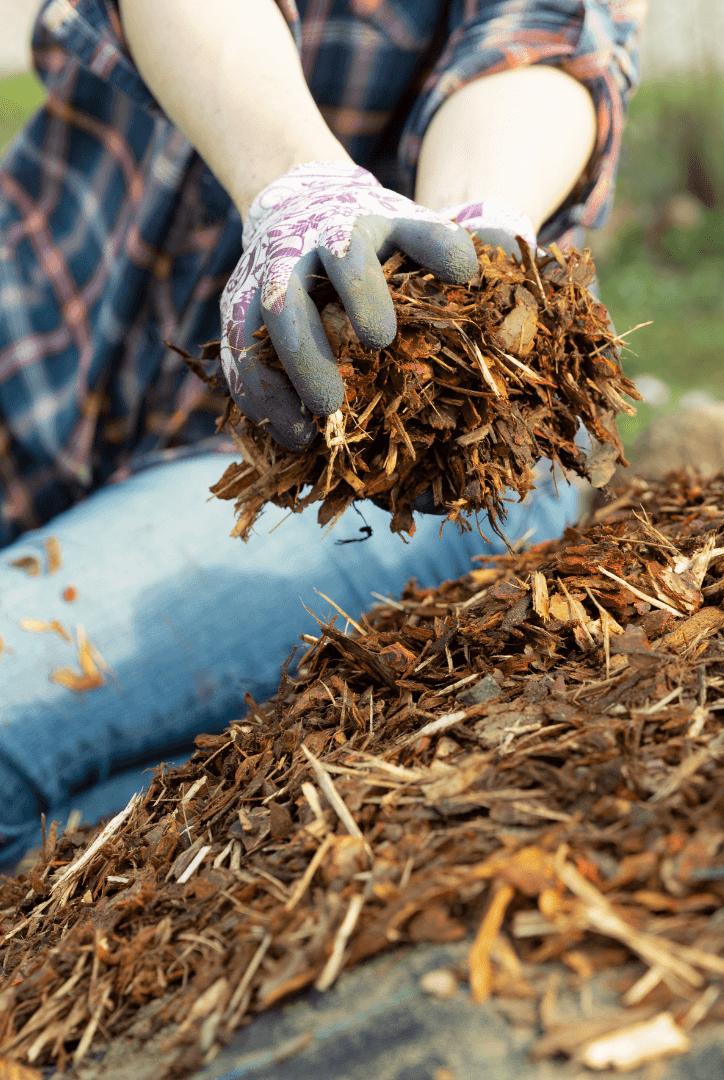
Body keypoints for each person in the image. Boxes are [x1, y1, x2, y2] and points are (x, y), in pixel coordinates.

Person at [0, 0, 644, 865]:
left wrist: (473, 231)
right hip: (44, 352)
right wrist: (297, 185)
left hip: (366, 473)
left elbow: (542, 44)